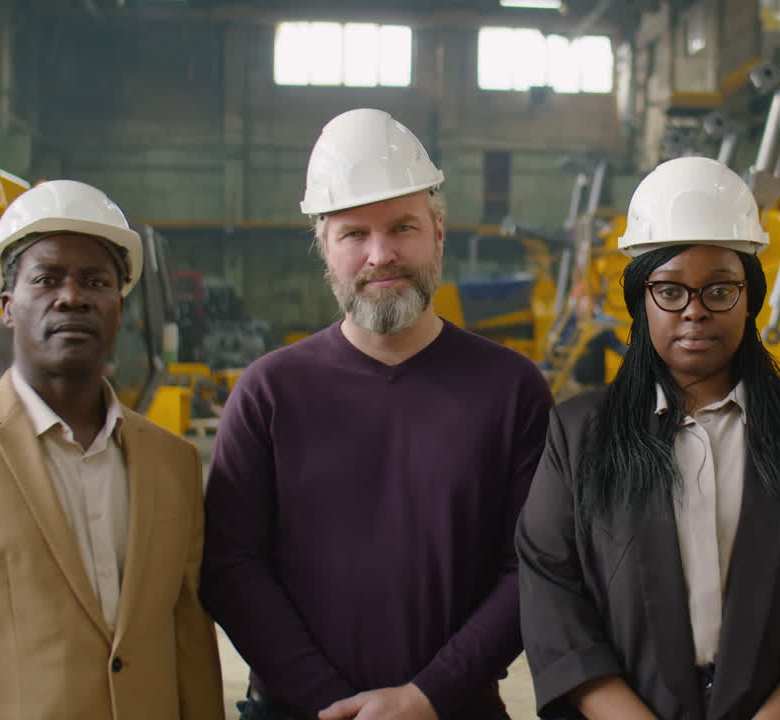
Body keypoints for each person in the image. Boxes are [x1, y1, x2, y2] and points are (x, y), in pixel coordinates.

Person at [200, 108, 553, 720]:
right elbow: (232, 568)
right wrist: (328, 703)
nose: (380, 254)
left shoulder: (511, 390)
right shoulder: (269, 393)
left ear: (438, 235)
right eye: (354, 234)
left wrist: (428, 696)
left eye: (402, 228)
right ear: (325, 249)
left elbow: (532, 567)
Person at [516, 156, 780, 720]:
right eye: (670, 291)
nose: (695, 312)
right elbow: (552, 593)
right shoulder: (580, 434)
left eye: (719, 291)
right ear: (640, 301)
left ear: (749, 298)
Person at [0, 180, 224, 719]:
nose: (72, 296)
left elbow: (190, 642)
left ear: (118, 306)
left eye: (95, 281)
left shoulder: (172, 464)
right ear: (8, 307)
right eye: (46, 279)